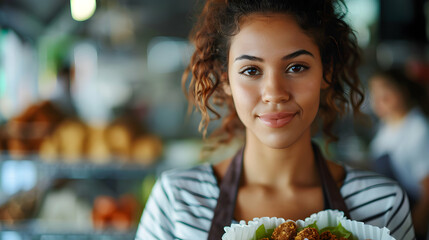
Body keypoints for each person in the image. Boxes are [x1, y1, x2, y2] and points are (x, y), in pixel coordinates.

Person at [135, 0, 415, 239]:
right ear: (225, 81)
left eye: (296, 67)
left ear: (325, 73)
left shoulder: (383, 204)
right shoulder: (178, 202)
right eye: (251, 70)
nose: (275, 93)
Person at [369, 68, 429, 239]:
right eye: (375, 93)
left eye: (385, 91)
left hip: (413, 213)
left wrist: (417, 225)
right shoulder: (386, 125)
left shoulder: (418, 128)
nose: (380, 99)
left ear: (402, 90)